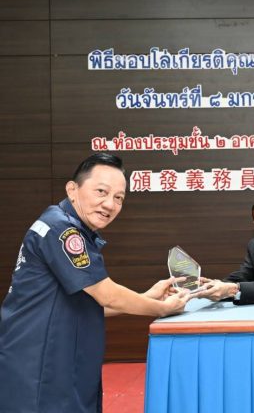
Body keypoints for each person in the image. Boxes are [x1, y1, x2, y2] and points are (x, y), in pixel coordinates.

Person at [0, 153, 190, 413]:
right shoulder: (63, 231)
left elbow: (85, 304)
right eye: (101, 191)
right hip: (41, 364)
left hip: (57, 359)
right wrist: (162, 308)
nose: (110, 204)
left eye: (119, 198)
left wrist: (147, 296)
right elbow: (106, 294)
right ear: (72, 189)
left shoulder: (68, 225)